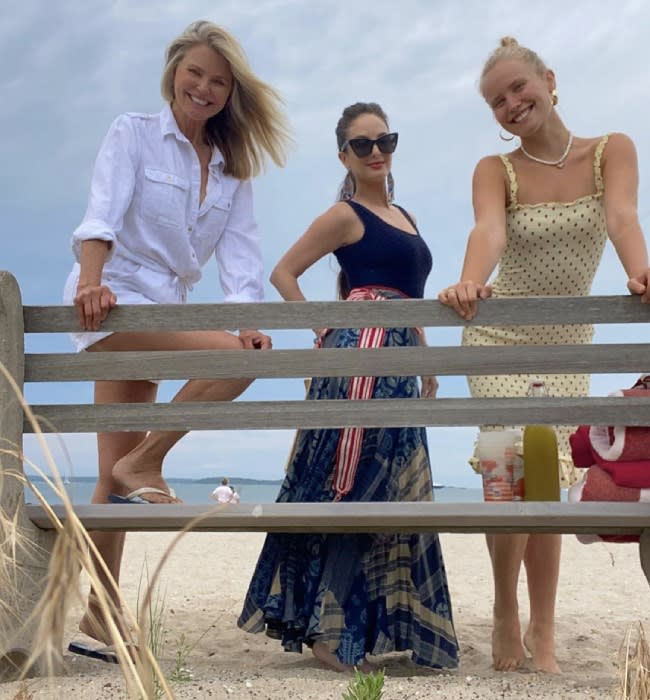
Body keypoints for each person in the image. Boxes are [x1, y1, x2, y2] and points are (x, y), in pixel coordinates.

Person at [63, 20, 290, 655]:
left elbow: (242, 254)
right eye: (194, 73)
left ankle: (99, 614)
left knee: (112, 473)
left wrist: (251, 319)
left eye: (218, 80)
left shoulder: (231, 166)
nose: (204, 87)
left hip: (167, 309)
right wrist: (91, 280)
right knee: (229, 366)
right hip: (114, 303)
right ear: (173, 73)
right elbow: (101, 214)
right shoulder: (133, 133)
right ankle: (148, 461)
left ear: (230, 92)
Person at [438, 37, 650, 673]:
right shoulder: (493, 169)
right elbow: (489, 231)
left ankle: (546, 632)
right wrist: (471, 279)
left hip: (566, 343)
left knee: (551, 476)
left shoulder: (610, 151)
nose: (510, 104)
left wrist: (642, 271)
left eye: (518, 89)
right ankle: (506, 614)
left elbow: (620, 218)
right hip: (499, 336)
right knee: (508, 475)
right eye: (497, 101)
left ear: (548, 81)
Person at [238, 102, 459, 672]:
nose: (376, 151)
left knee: (392, 489)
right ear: (344, 156)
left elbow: (407, 295)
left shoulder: (403, 212)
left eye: (384, 139)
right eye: (362, 144)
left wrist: (425, 358)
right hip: (360, 359)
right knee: (354, 482)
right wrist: (328, 326)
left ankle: (365, 628)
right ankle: (329, 635)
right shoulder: (345, 213)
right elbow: (284, 272)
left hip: (397, 358)